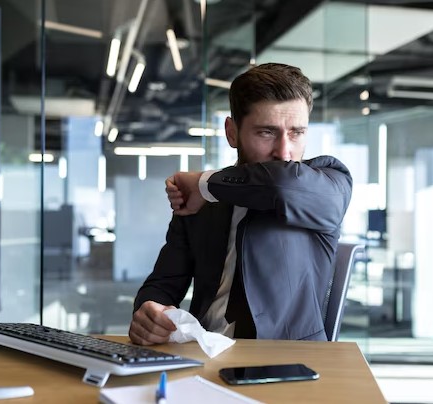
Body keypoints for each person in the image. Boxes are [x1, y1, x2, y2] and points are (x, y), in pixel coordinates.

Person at [129, 63, 352, 345]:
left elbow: (281, 185)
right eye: (266, 132)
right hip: (204, 353)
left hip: (286, 362)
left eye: (297, 132)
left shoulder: (328, 184)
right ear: (232, 133)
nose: (284, 152)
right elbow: (163, 284)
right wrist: (149, 311)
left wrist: (203, 184)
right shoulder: (201, 204)